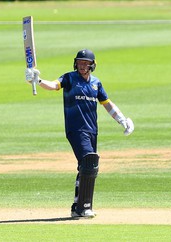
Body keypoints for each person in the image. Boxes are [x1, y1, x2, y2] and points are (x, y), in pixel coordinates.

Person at [25, 49, 134, 218]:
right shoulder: (69, 78)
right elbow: (54, 85)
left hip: (92, 130)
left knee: (86, 167)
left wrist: (122, 120)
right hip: (75, 129)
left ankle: (77, 207)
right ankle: (84, 208)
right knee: (89, 162)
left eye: (86, 63)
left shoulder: (96, 83)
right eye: (80, 62)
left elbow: (106, 103)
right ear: (75, 63)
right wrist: (37, 80)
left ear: (92, 65)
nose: (82, 66)